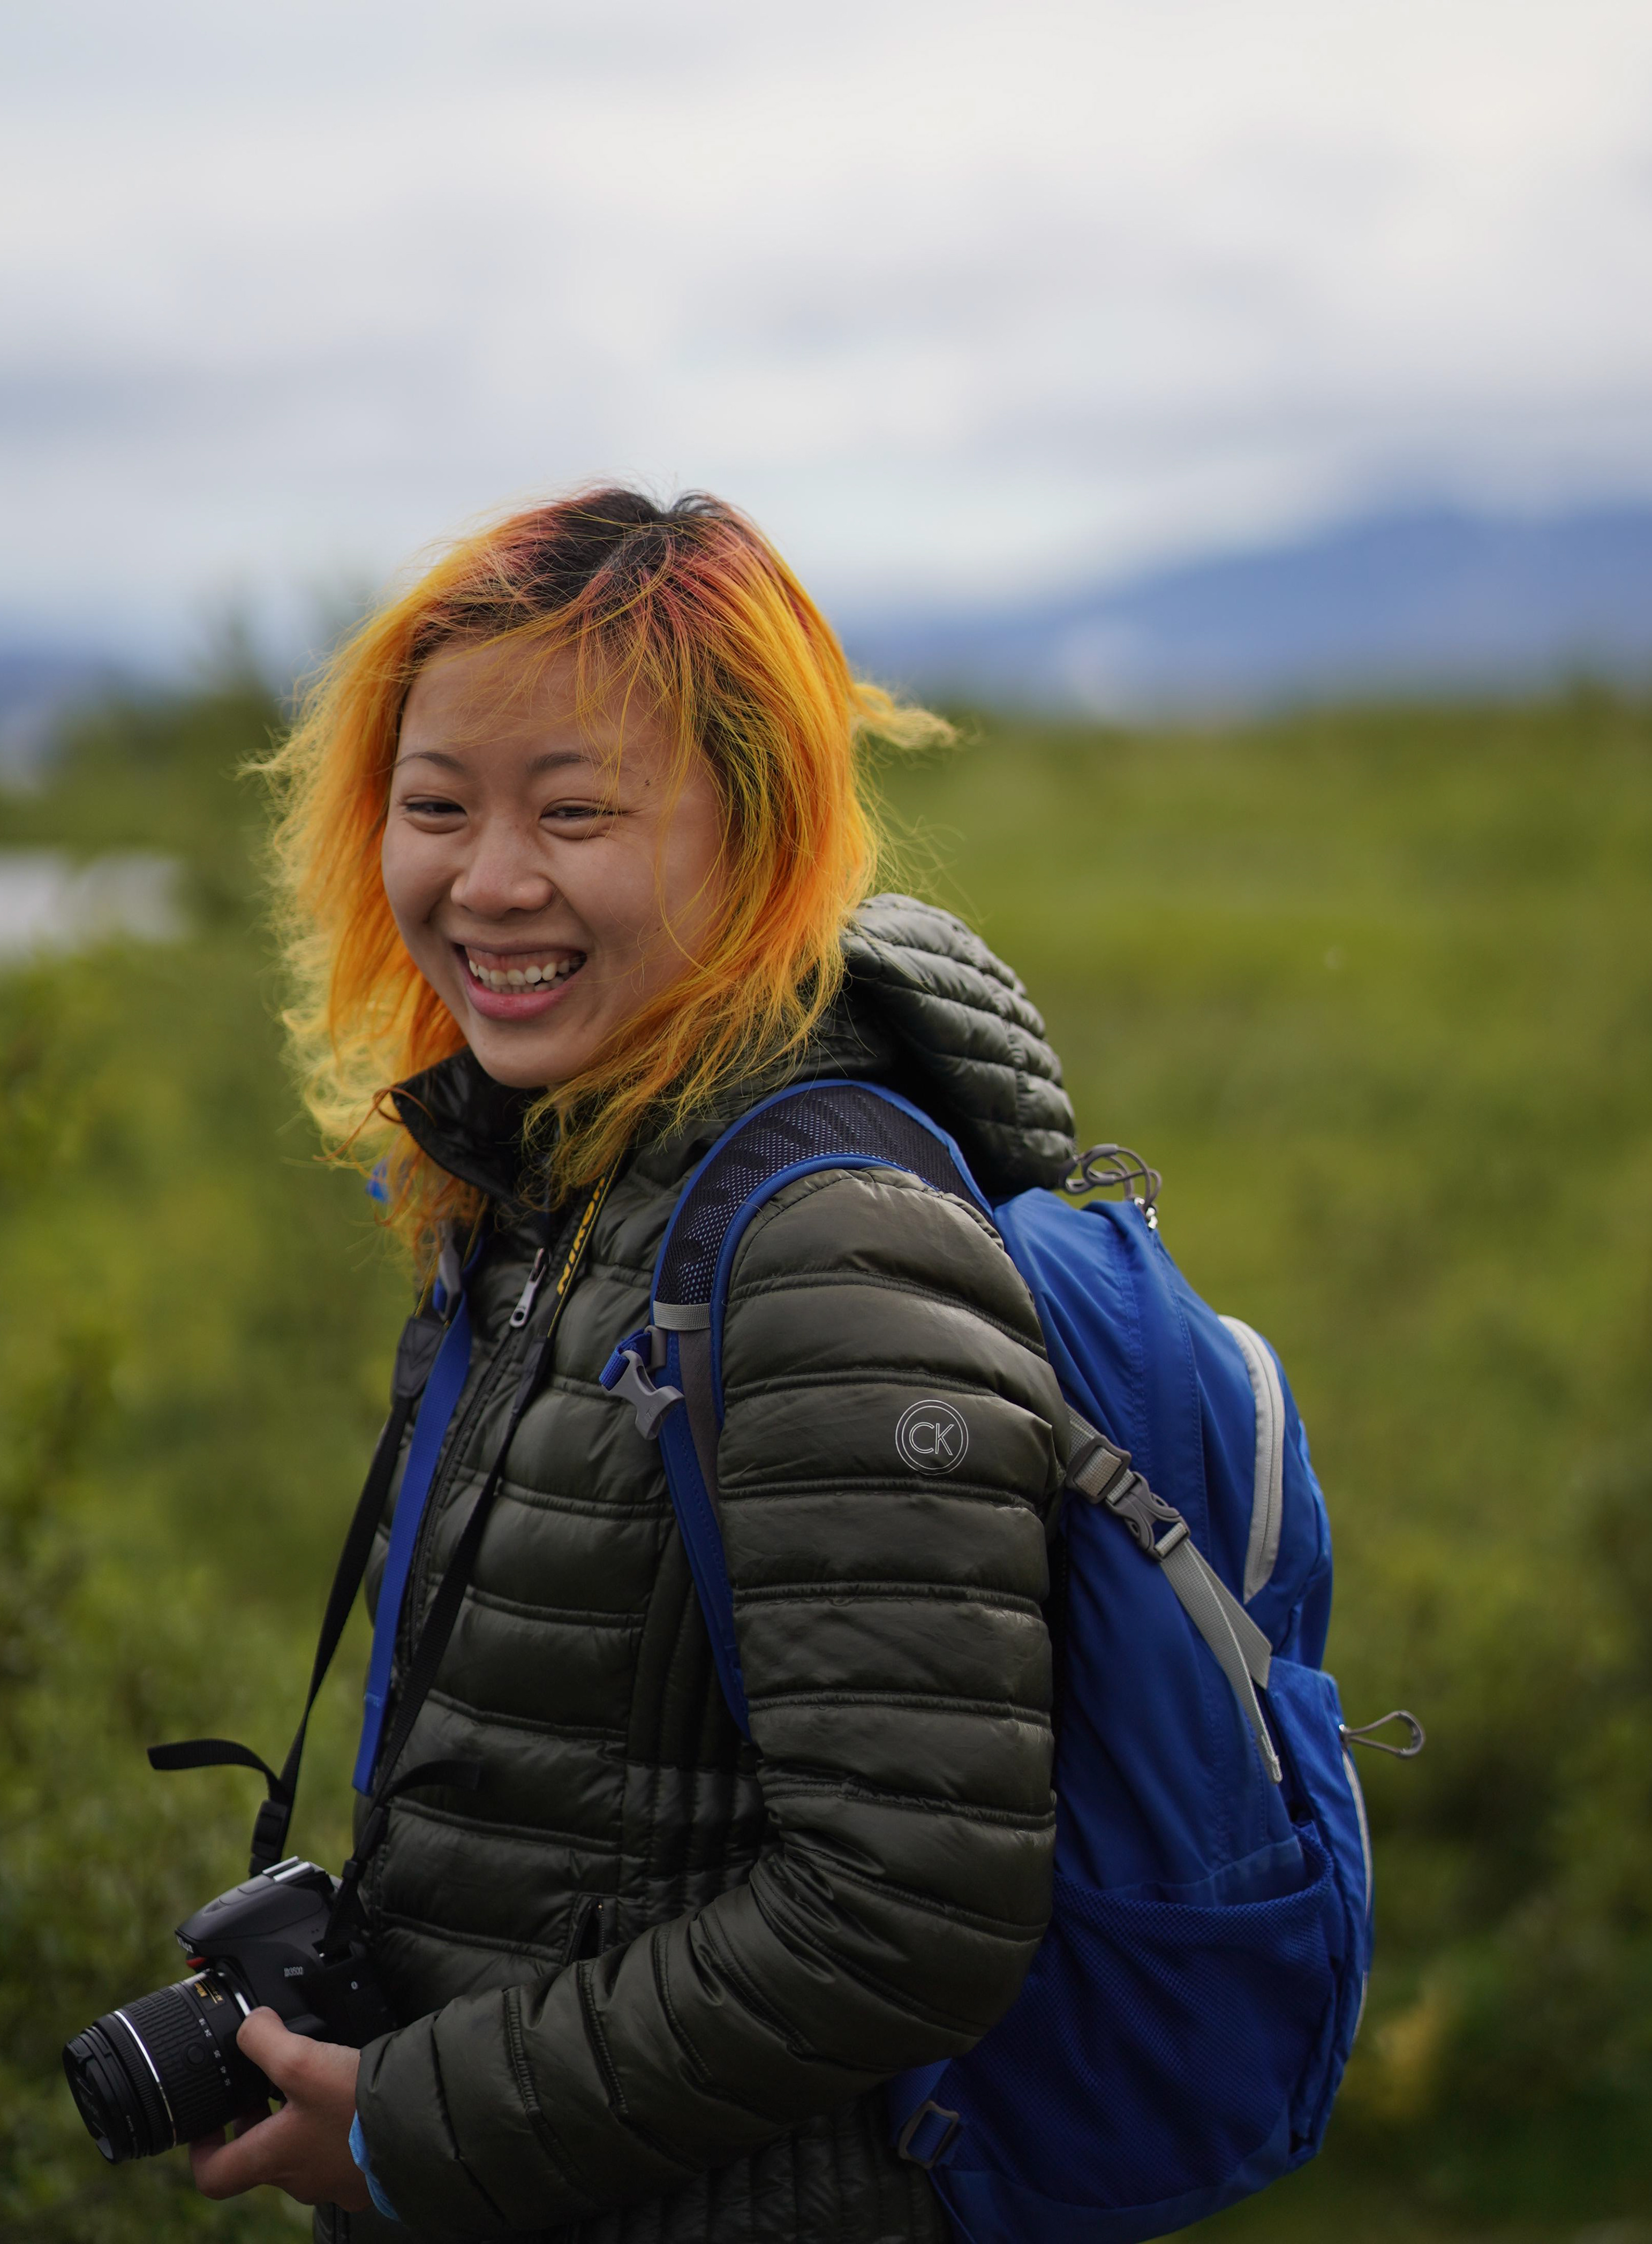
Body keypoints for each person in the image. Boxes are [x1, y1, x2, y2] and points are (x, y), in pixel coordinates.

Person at [190, 487, 1080, 2243]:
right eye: (435, 806)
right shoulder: (548, 1188)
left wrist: (414, 2124)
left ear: (752, 832)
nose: (488, 881)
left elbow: (917, 1908)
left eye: (577, 813)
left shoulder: (824, 1251)